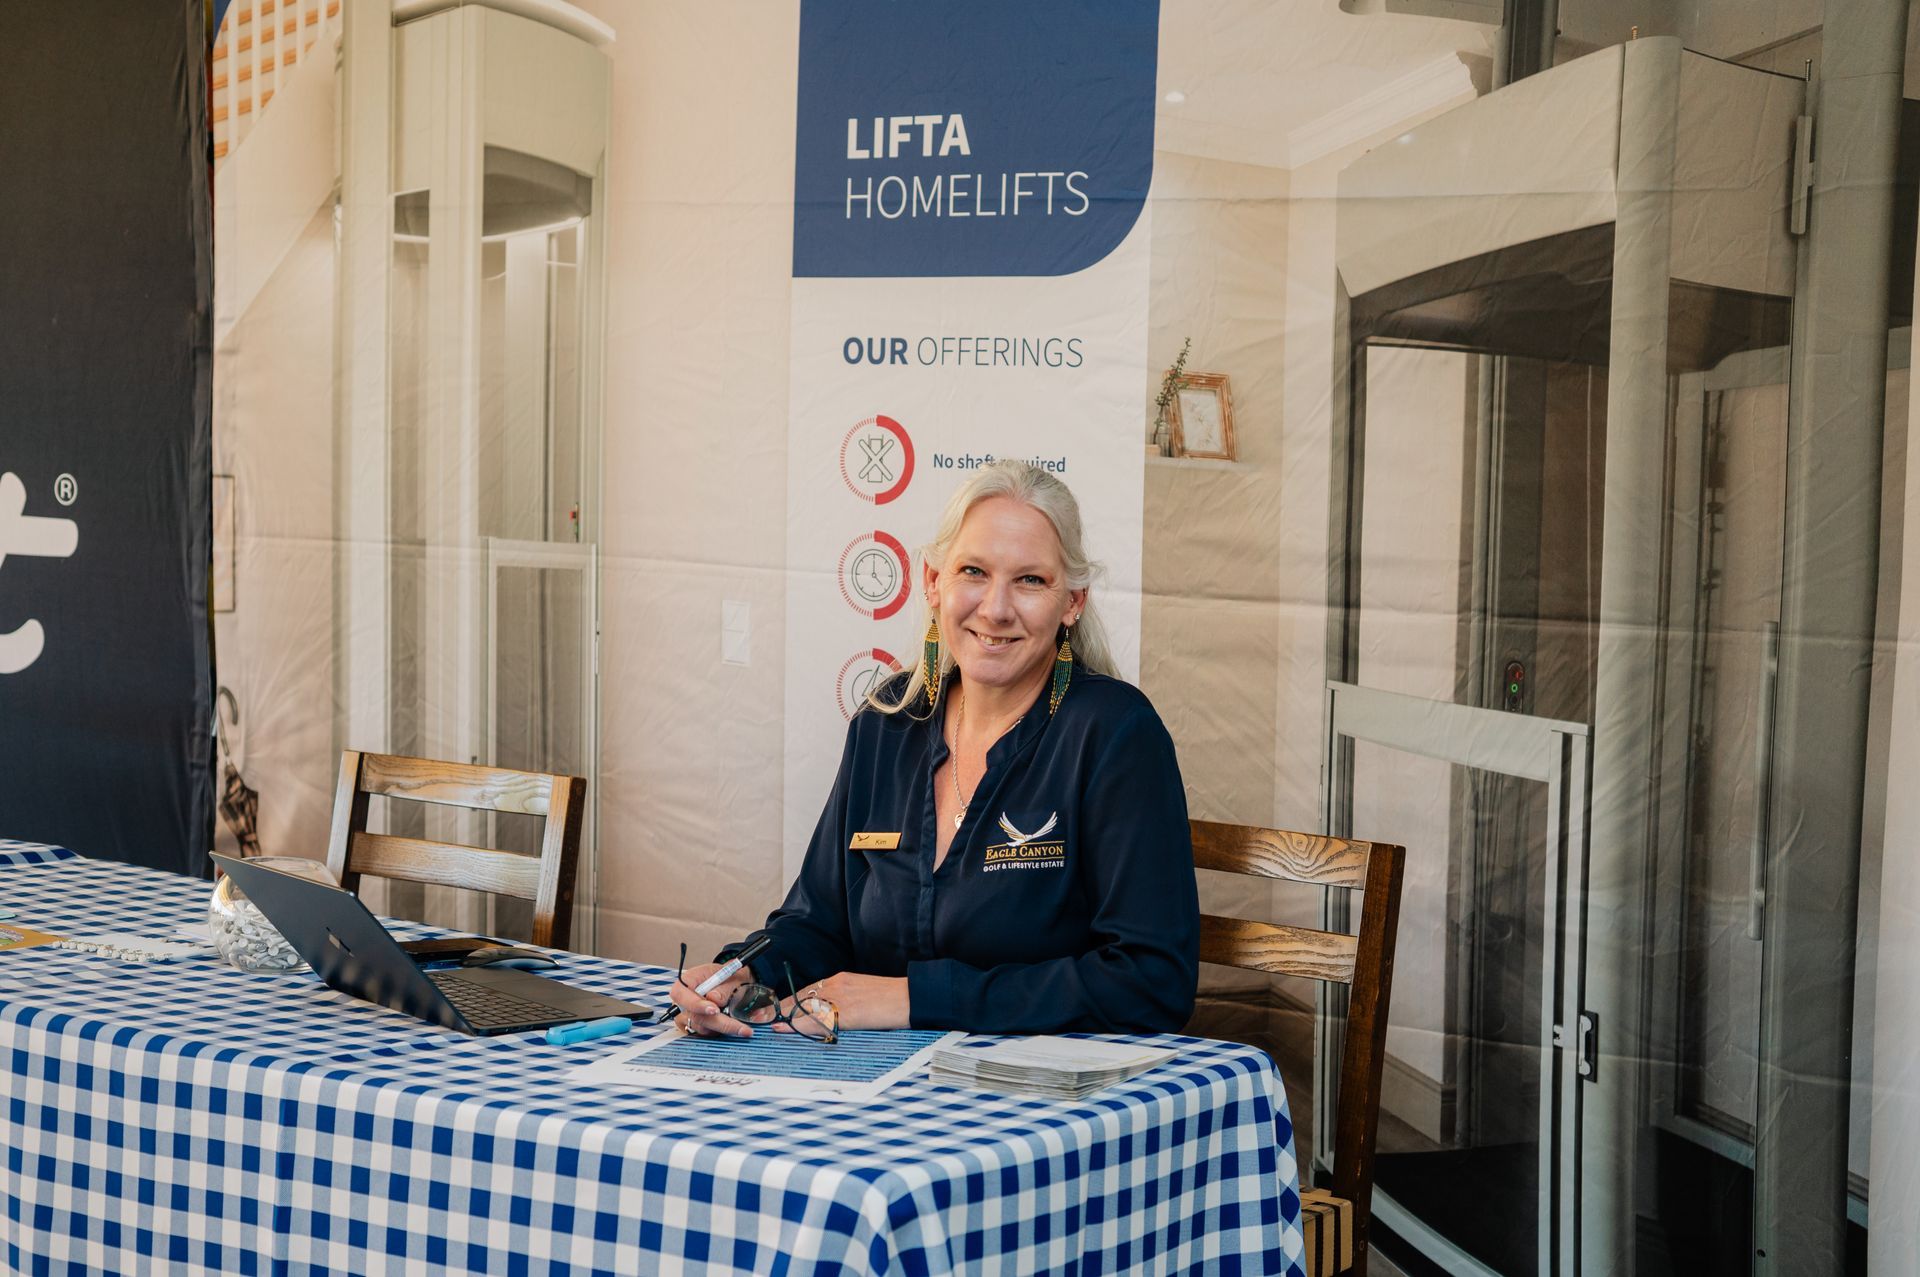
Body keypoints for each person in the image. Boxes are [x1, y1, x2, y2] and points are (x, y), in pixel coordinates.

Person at [668, 461, 1199, 1037]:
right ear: (933, 581)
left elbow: (1151, 981)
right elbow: (818, 922)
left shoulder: (1116, 733)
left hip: (1032, 1084)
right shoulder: (887, 723)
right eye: (973, 571)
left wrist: (914, 999)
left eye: (1030, 580)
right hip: (874, 1073)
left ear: (1072, 601)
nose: (995, 608)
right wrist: (743, 975)